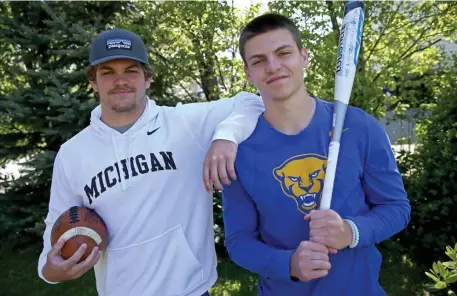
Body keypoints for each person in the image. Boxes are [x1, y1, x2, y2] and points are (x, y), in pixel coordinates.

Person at [37, 28, 264, 296]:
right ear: (93, 82)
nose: (120, 81)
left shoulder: (185, 123)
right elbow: (56, 224)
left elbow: (252, 103)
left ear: (148, 79)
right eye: (107, 72)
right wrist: (49, 270)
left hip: (191, 290)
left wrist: (225, 137)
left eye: (130, 70)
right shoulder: (72, 153)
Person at [221, 13, 411, 296]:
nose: (273, 67)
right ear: (248, 72)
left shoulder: (358, 127)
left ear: (304, 56)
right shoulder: (238, 150)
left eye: (283, 53)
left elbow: (397, 208)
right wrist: (289, 264)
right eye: (259, 60)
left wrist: (351, 232)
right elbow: (238, 241)